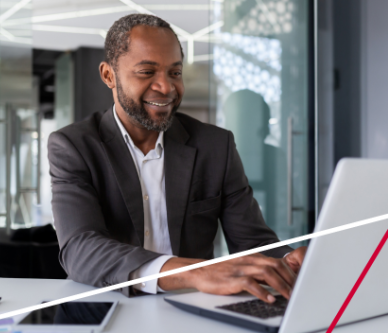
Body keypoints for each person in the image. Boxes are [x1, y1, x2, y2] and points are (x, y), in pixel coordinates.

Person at [48, 13, 307, 304]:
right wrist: (195, 272)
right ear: (109, 75)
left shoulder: (215, 145)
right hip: (108, 305)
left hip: (193, 306)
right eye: (147, 72)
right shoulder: (74, 146)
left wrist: (288, 259)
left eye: (175, 72)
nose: (167, 87)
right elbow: (81, 249)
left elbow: (252, 242)